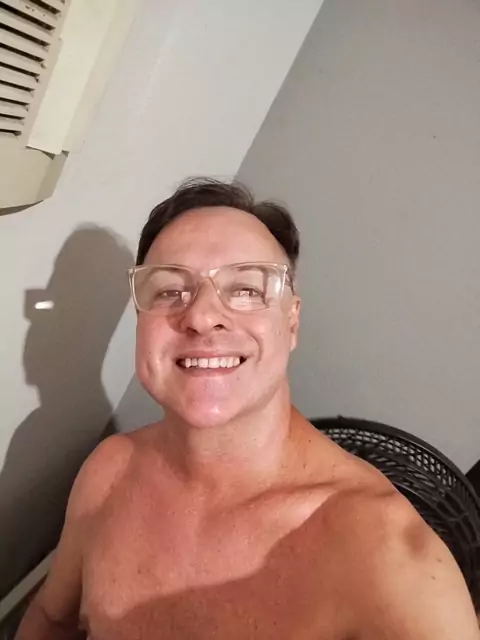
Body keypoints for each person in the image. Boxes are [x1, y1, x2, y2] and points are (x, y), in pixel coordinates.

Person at [16, 178, 480, 639]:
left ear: (291, 322)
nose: (201, 317)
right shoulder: (108, 470)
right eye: (170, 290)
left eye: (246, 289)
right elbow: (51, 620)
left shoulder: (391, 562)